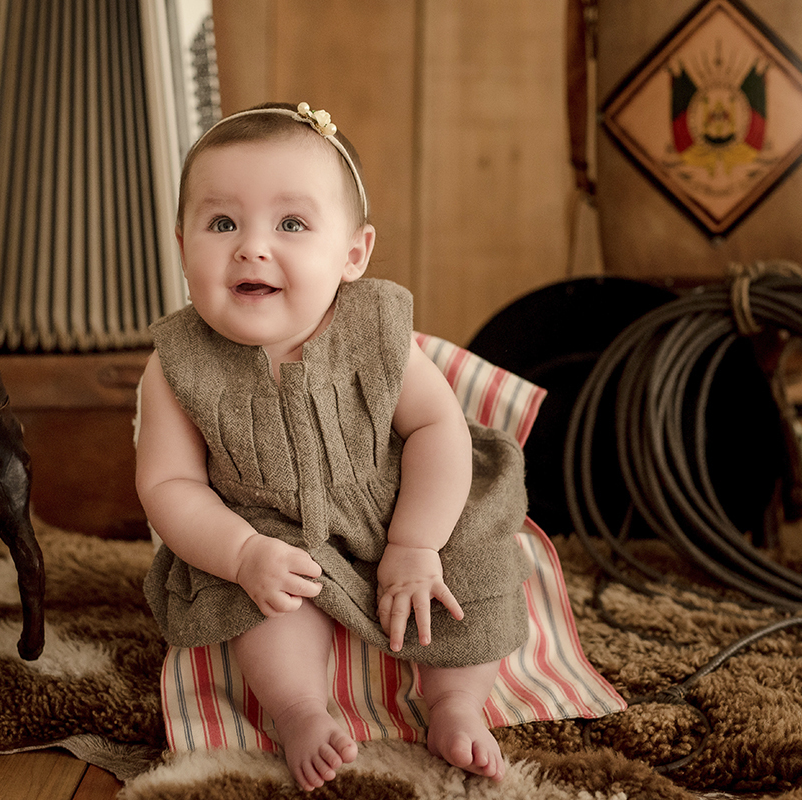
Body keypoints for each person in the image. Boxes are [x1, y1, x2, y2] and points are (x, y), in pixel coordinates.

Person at [136, 102, 532, 791]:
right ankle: (299, 714)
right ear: (182, 246)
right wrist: (242, 553)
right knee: (258, 603)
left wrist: (415, 543)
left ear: (352, 254)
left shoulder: (376, 331)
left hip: (401, 501)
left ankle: (457, 704)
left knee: (477, 563)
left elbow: (438, 430)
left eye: (291, 224)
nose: (252, 247)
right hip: (269, 527)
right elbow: (169, 485)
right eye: (222, 222)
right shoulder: (176, 363)